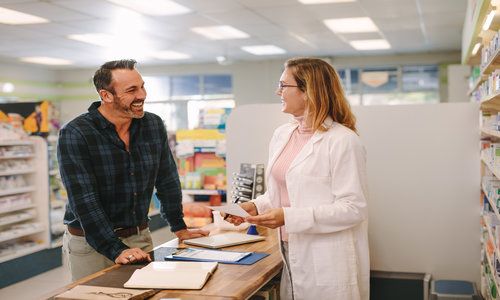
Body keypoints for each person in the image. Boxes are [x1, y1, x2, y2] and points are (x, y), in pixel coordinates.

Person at [227, 58, 369, 299]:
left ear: (308, 91)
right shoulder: (283, 134)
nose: (278, 91)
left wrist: (287, 216)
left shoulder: (343, 140)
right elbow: (282, 191)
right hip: (289, 248)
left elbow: (353, 208)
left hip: (328, 258)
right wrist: (253, 206)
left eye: (284, 85)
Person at [57, 59, 208, 281]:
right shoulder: (76, 133)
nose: (142, 95)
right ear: (106, 95)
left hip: (139, 237)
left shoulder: (153, 125)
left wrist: (179, 226)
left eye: (142, 86)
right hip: (91, 243)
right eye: (132, 90)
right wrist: (115, 248)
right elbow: (84, 199)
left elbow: (167, 179)